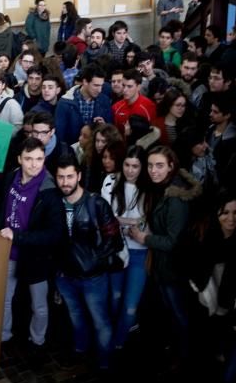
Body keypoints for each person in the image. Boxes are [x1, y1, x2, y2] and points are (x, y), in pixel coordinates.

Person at [0, 138, 66, 353]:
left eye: (39, 159)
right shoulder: (12, 177)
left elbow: (55, 234)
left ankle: (37, 342)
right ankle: (4, 338)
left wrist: (18, 237)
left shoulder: (49, 191)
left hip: (35, 258)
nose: (35, 164)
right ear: (20, 159)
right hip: (7, 252)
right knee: (4, 300)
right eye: (29, 159)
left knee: (39, 306)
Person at [130, 146, 202, 366]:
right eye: (150, 165)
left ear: (171, 166)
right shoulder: (163, 188)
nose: (153, 170)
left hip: (173, 268)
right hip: (164, 266)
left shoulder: (176, 197)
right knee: (172, 311)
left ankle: (187, 358)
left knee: (180, 314)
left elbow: (173, 241)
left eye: (159, 165)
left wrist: (144, 238)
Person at [54, 153, 123, 370]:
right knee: (76, 317)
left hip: (93, 278)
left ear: (79, 176)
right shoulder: (54, 203)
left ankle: (105, 362)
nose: (65, 182)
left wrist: (94, 262)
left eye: (69, 176)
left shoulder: (96, 203)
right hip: (65, 276)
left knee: (100, 321)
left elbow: (114, 240)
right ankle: (80, 351)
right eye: (61, 177)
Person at [101, 145, 150, 352]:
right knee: (115, 298)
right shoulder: (111, 181)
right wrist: (132, 221)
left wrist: (121, 221)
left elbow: (148, 224)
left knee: (130, 307)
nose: (131, 170)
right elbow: (104, 218)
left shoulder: (150, 188)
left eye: (136, 166)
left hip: (139, 251)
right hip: (116, 249)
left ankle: (117, 344)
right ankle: (111, 339)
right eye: (127, 165)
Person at [54, 65, 112, 146]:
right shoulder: (65, 103)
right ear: (85, 82)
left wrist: (104, 126)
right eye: (96, 85)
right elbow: (60, 136)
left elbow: (111, 132)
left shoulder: (104, 101)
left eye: (101, 85)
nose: (100, 90)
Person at [112, 70, 156, 135]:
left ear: (138, 87)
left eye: (129, 86)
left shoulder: (149, 107)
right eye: (123, 85)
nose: (124, 90)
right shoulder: (116, 107)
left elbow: (154, 134)